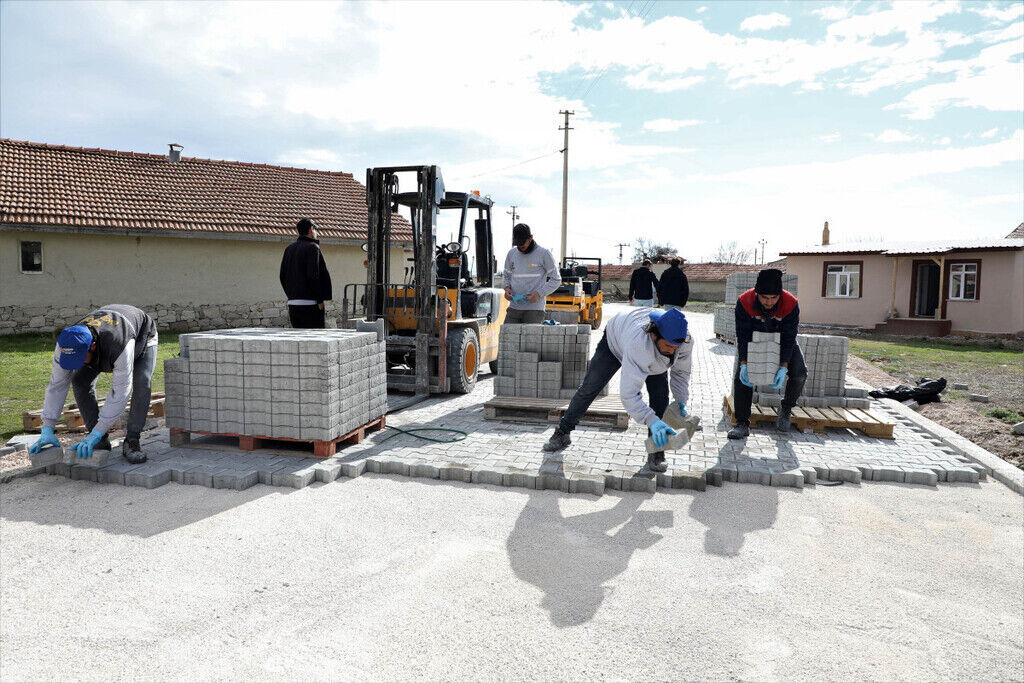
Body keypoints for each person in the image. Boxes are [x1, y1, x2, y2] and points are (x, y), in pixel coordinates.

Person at [542, 307, 693, 473]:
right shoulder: (639, 345)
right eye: (668, 346)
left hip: (649, 351)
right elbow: (629, 394)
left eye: (675, 347)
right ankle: (563, 432)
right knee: (589, 388)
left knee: (660, 399)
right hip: (615, 340)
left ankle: (657, 450)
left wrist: (681, 400)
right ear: (654, 335)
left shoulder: (682, 340)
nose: (672, 351)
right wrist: (651, 420)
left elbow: (681, 372)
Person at [28, 305, 158, 464]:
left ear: (93, 346)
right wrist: (47, 427)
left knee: (142, 382)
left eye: (79, 359)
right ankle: (100, 440)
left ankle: (132, 440)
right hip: (106, 331)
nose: (75, 365)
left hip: (141, 335)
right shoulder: (68, 343)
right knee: (79, 380)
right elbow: (57, 385)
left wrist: (99, 429)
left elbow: (120, 393)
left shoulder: (119, 345)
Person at [728, 268, 807, 439]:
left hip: (782, 340)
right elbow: (742, 335)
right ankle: (742, 423)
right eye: (764, 297)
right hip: (754, 341)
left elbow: (789, 337)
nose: (769, 302)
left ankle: (786, 408)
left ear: (780, 295)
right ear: (756, 294)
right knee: (742, 378)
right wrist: (744, 364)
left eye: (773, 298)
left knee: (800, 372)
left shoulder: (790, 303)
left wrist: (783, 366)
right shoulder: (744, 302)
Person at [502, 223, 560, 324]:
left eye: (522, 244)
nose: (520, 247)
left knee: (530, 339)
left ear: (530, 238)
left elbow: (556, 280)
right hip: (514, 308)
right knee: (508, 338)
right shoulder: (512, 254)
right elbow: (506, 275)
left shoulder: (543, 254)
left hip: (534, 310)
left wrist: (538, 294)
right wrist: (507, 288)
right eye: (518, 244)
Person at [280, 218, 332, 329]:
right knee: (316, 339)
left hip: (293, 304)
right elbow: (313, 276)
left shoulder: (289, 249)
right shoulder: (313, 247)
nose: (316, 232)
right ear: (310, 229)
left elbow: (282, 276)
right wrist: (319, 300)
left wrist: (291, 295)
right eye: (316, 229)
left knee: (299, 340)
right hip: (311, 304)